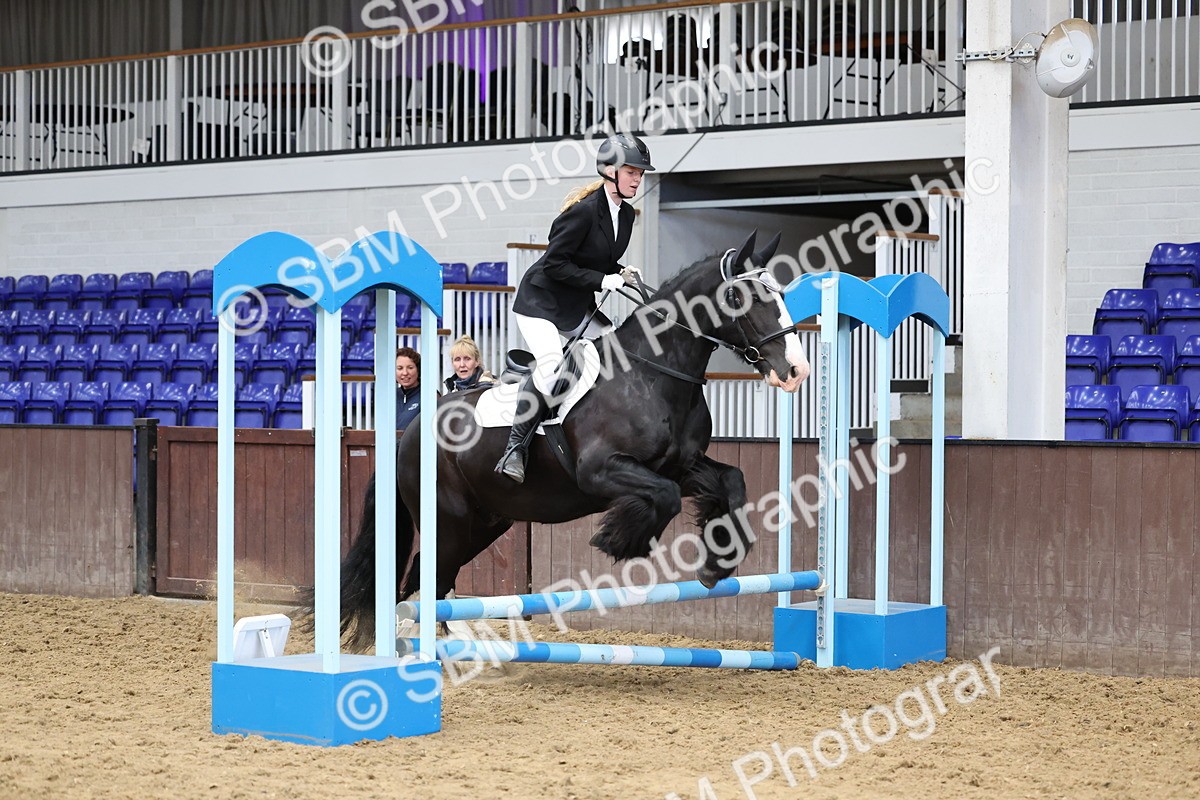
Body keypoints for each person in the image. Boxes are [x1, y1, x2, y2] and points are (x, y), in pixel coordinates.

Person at [495, 132, 655, 483]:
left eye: (640, 173)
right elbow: (556, 264)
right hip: (541, 302)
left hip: (575, 304)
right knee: (552, 365)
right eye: (632, 172)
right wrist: (602, 280)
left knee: (618, 350)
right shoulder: (582, 212)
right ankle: (515, 448)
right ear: (610, 171)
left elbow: (597, 259)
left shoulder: (626, 215)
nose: (637, 179)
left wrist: (620, 273)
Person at [395, 347, 422, 430]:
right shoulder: (390, 396)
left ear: (418, 370)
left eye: (410, 368)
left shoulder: (429, 395)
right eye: (400, 368)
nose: (405, 373)